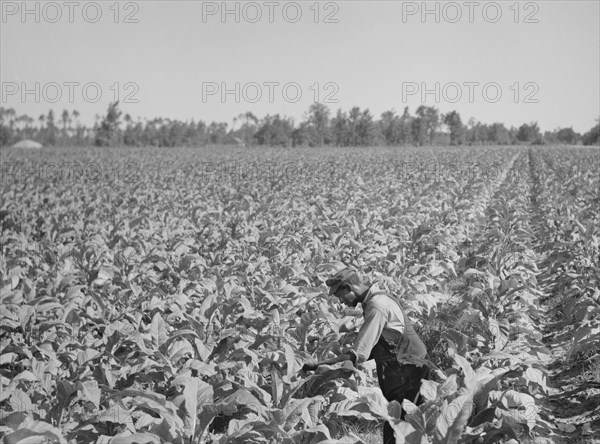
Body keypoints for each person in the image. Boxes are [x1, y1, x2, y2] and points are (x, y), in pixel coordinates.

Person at [301, 267, 429, 444]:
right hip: (406, 368)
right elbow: (375, 346)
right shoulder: (378, 299)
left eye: (340, 295)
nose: (341, 301)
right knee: (407, 425)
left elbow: (359, 354)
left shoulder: (377, 307)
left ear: (349, 287)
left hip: (408, 370)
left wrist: (321, 365)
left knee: (398, 427)